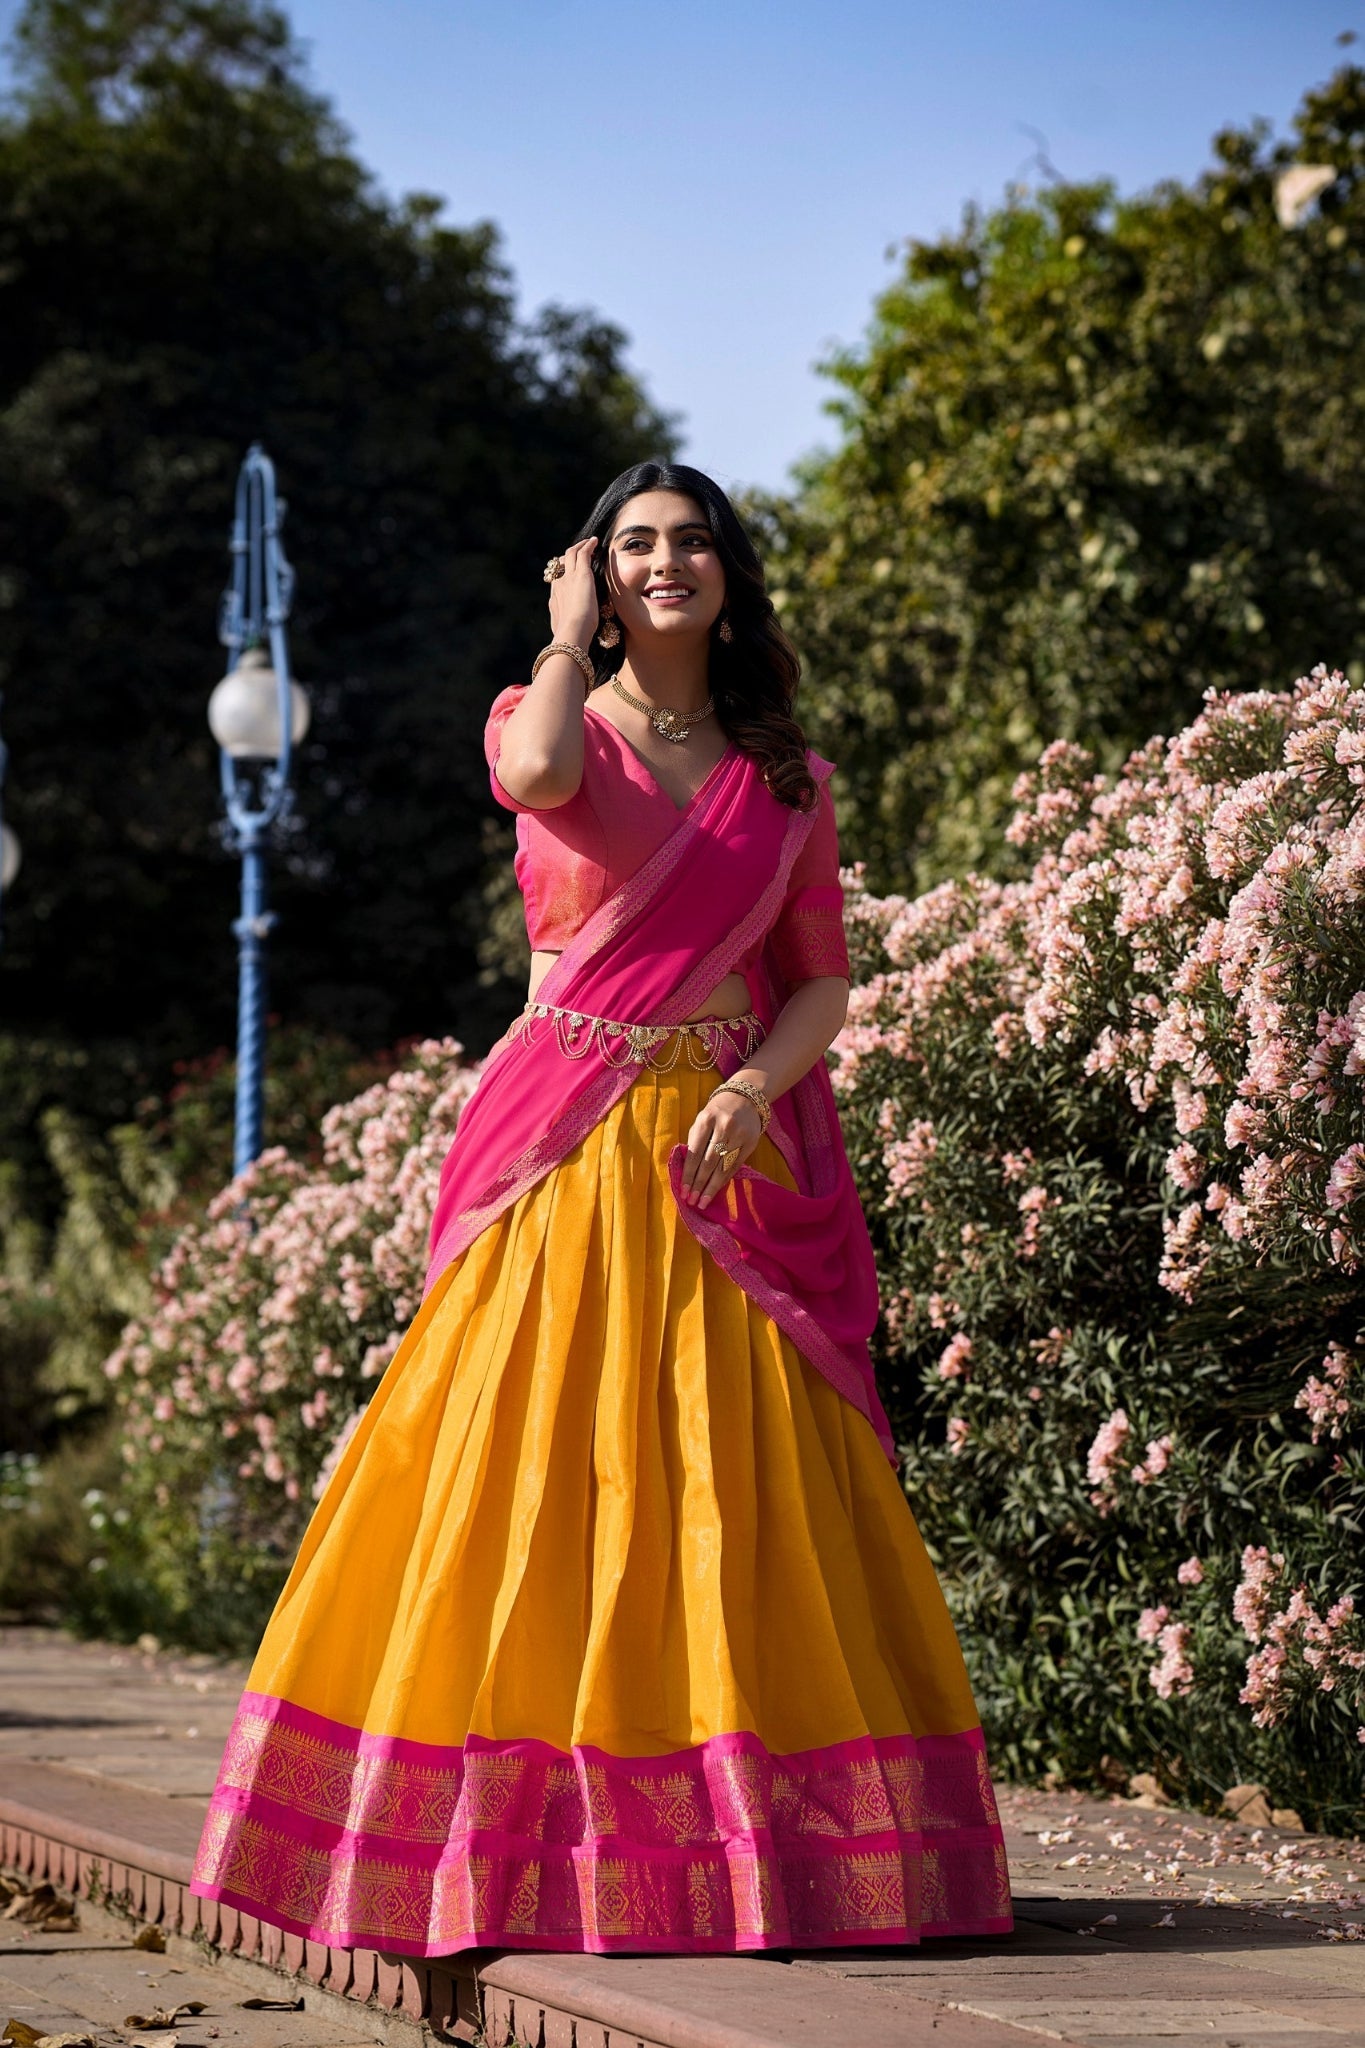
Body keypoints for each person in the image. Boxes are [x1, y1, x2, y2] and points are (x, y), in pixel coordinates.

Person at [190, 461, 1012, 1958]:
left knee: (725, 1496)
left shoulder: (788, 781)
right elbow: (540, 784)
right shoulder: (541, 712)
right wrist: (564, 634)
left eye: (689, 542)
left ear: (728, 568)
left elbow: (821, 978)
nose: (663, 564)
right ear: (597, 570)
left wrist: (755, 1086)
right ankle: (505, 1856)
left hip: (717, 1162)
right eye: (633, 546)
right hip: (560, 1150)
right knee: (535, 1488)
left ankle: (766, 1860)